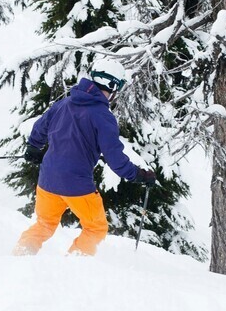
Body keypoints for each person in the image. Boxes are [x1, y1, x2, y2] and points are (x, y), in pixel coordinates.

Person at [14, 59, 157, 257]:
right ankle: (74, 265)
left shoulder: (64, 103)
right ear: (112, 86)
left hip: (47, 180)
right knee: (95, 228)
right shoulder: (102, 115)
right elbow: (114, 157)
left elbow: (40, 126)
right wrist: (138, 175)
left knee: (44, 224)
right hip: (77, 185)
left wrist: (34, 147)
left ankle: (21, 255)